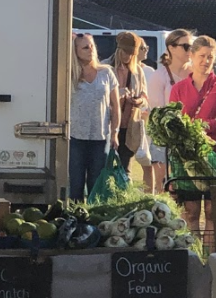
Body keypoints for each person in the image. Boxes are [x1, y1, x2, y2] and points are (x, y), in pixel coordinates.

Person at [169, 35, 216, 228]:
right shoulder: (179, 88)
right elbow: (172, 120)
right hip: (186, 153)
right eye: (202, 56)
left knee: (214, 210)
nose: (206, 61)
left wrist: (200, 126)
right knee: (190, 210)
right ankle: (194, 254)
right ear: (191, 55)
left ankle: (212, 254)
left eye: (210, 57)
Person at [69, 34, 120, 200]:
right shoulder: (69, 75)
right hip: (75, 136)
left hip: (100, 136)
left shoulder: (106, 73)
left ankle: (94, 220)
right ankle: (76, 219)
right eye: (85, 47)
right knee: (75, 184)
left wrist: (115, 132)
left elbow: (115, 105)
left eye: (91, 46)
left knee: (96, 183)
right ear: (75, 51)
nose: (90, 50)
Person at [144, 29, 194, 192]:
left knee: (190, 187)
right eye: (186, 46)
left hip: (191, 137)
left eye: (192, 46)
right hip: (165, 139)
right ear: (171, 48)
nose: (190, 51)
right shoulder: (160, 76)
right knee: (165, 187)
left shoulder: (196, 74)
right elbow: (157, 112)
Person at [110, 31, 149, 173]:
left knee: (125, 169)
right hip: (109, 125)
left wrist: (138, 101)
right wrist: (118, 95)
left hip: (129, 126)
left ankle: (124, 194)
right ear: (118, 49)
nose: (128, 56)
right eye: (125, 52)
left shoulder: (138, 71)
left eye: (132, 54)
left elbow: (145, 98)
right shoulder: (106, 68)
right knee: (106, 167)